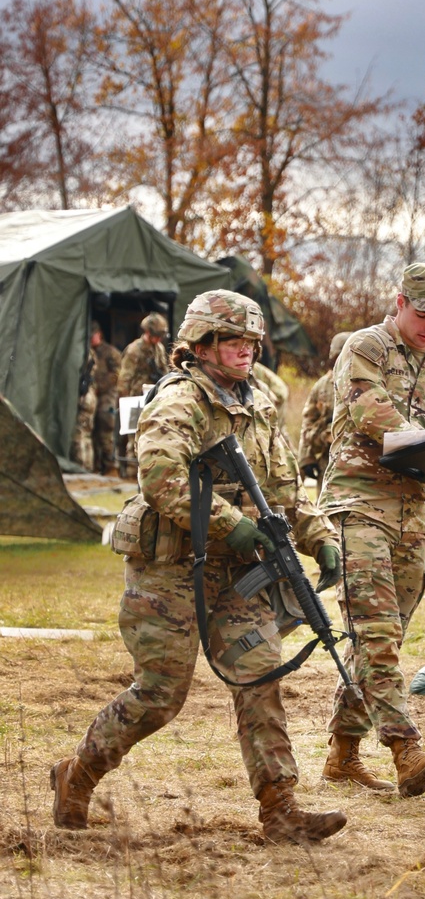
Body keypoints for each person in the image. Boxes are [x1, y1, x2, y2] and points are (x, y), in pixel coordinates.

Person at [49, 290, 346, 846]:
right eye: (235, 340)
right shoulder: (180, 399)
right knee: (161, 693)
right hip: (170, 568)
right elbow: (159, 476)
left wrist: (318, 536)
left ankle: (280, 807)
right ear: (203, 344)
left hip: (236, 575)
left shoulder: (257, 406)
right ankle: (78, 773)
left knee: (261, 676)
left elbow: (283, 492)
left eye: (253, 342)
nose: (247, 351)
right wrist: (230, 522)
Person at [319, 263, 425, 797]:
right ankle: (404, 749)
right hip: (358, 504)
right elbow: (372, 414)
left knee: (382, 639)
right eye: (423, 314)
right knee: (378, 634)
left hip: (411, 518)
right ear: (400, 302)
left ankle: (342, 755)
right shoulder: (365, 348)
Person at [118, 312, 171, 477]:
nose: (158, 340)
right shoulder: (134, 350)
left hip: (154, 398)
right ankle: (133, 472)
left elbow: (164, 371)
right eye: (156, 336)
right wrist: (124, 402)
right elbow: (124, 378)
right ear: (148, 333)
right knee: (134, 435)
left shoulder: (158, 349)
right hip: (136, 399)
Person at [298, 331, 352, 480]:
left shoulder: (367, 382)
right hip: (328, 459)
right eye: (339, 356)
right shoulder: (322, 386)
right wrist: (306, 458)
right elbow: (308, 420)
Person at [89, 324, 122, 475]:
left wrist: (100, 386)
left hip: (107, 395)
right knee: (92, 429)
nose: (91, 338)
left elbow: (117, 374)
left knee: (106, 427)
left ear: (99, 334)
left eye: (93, 334)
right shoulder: (88, 352)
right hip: (91, 396)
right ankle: (95, 464)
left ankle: (110, 465)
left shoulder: (110, 352)